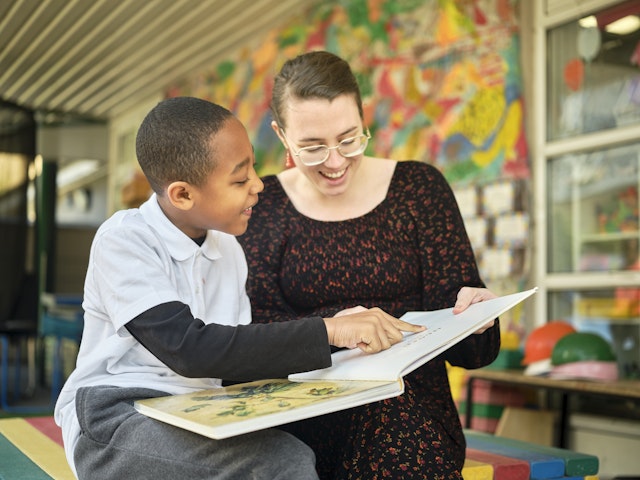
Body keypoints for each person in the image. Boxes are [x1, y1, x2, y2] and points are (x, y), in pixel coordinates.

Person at [53, 96, 424, 480]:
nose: (258, 186)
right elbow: (190, 350)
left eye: (255, 171)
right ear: (182, 194)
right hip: (117, 416)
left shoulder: (227, 248)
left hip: (201, 411)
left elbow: (239, 354)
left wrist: (342, 349)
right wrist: (330, 330)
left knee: (337, 431)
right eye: (240, 179)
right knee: (280, 463)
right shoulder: (125, 240)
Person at [238, 51, 501, 479]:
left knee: (388, 411)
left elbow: (472, 355)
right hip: (305, 414)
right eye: (312, 147)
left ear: (366, 118)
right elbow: (250, 337)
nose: (336, 162)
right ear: (281, 136)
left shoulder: (419, 189)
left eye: (348, 139)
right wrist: (335, 327)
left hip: (416, 414)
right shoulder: (261, 206)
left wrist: (479, 317)